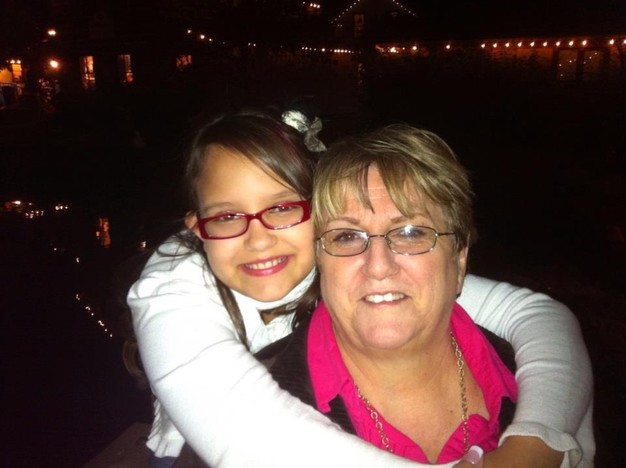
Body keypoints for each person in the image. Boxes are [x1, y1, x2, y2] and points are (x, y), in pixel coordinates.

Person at [127, 109, 594, 468]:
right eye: (348, 235)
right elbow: (243, 431)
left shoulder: (510, 364)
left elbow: (536, 313)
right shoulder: (173, 291)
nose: (259, 238)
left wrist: (537, 437)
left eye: (410, 232)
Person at [268, 123, 594, 466]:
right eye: (346, 236)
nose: (378, 266)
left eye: (411, 233)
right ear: (318, 259)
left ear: (459, 258)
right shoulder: (258, 415)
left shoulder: (542, 382)